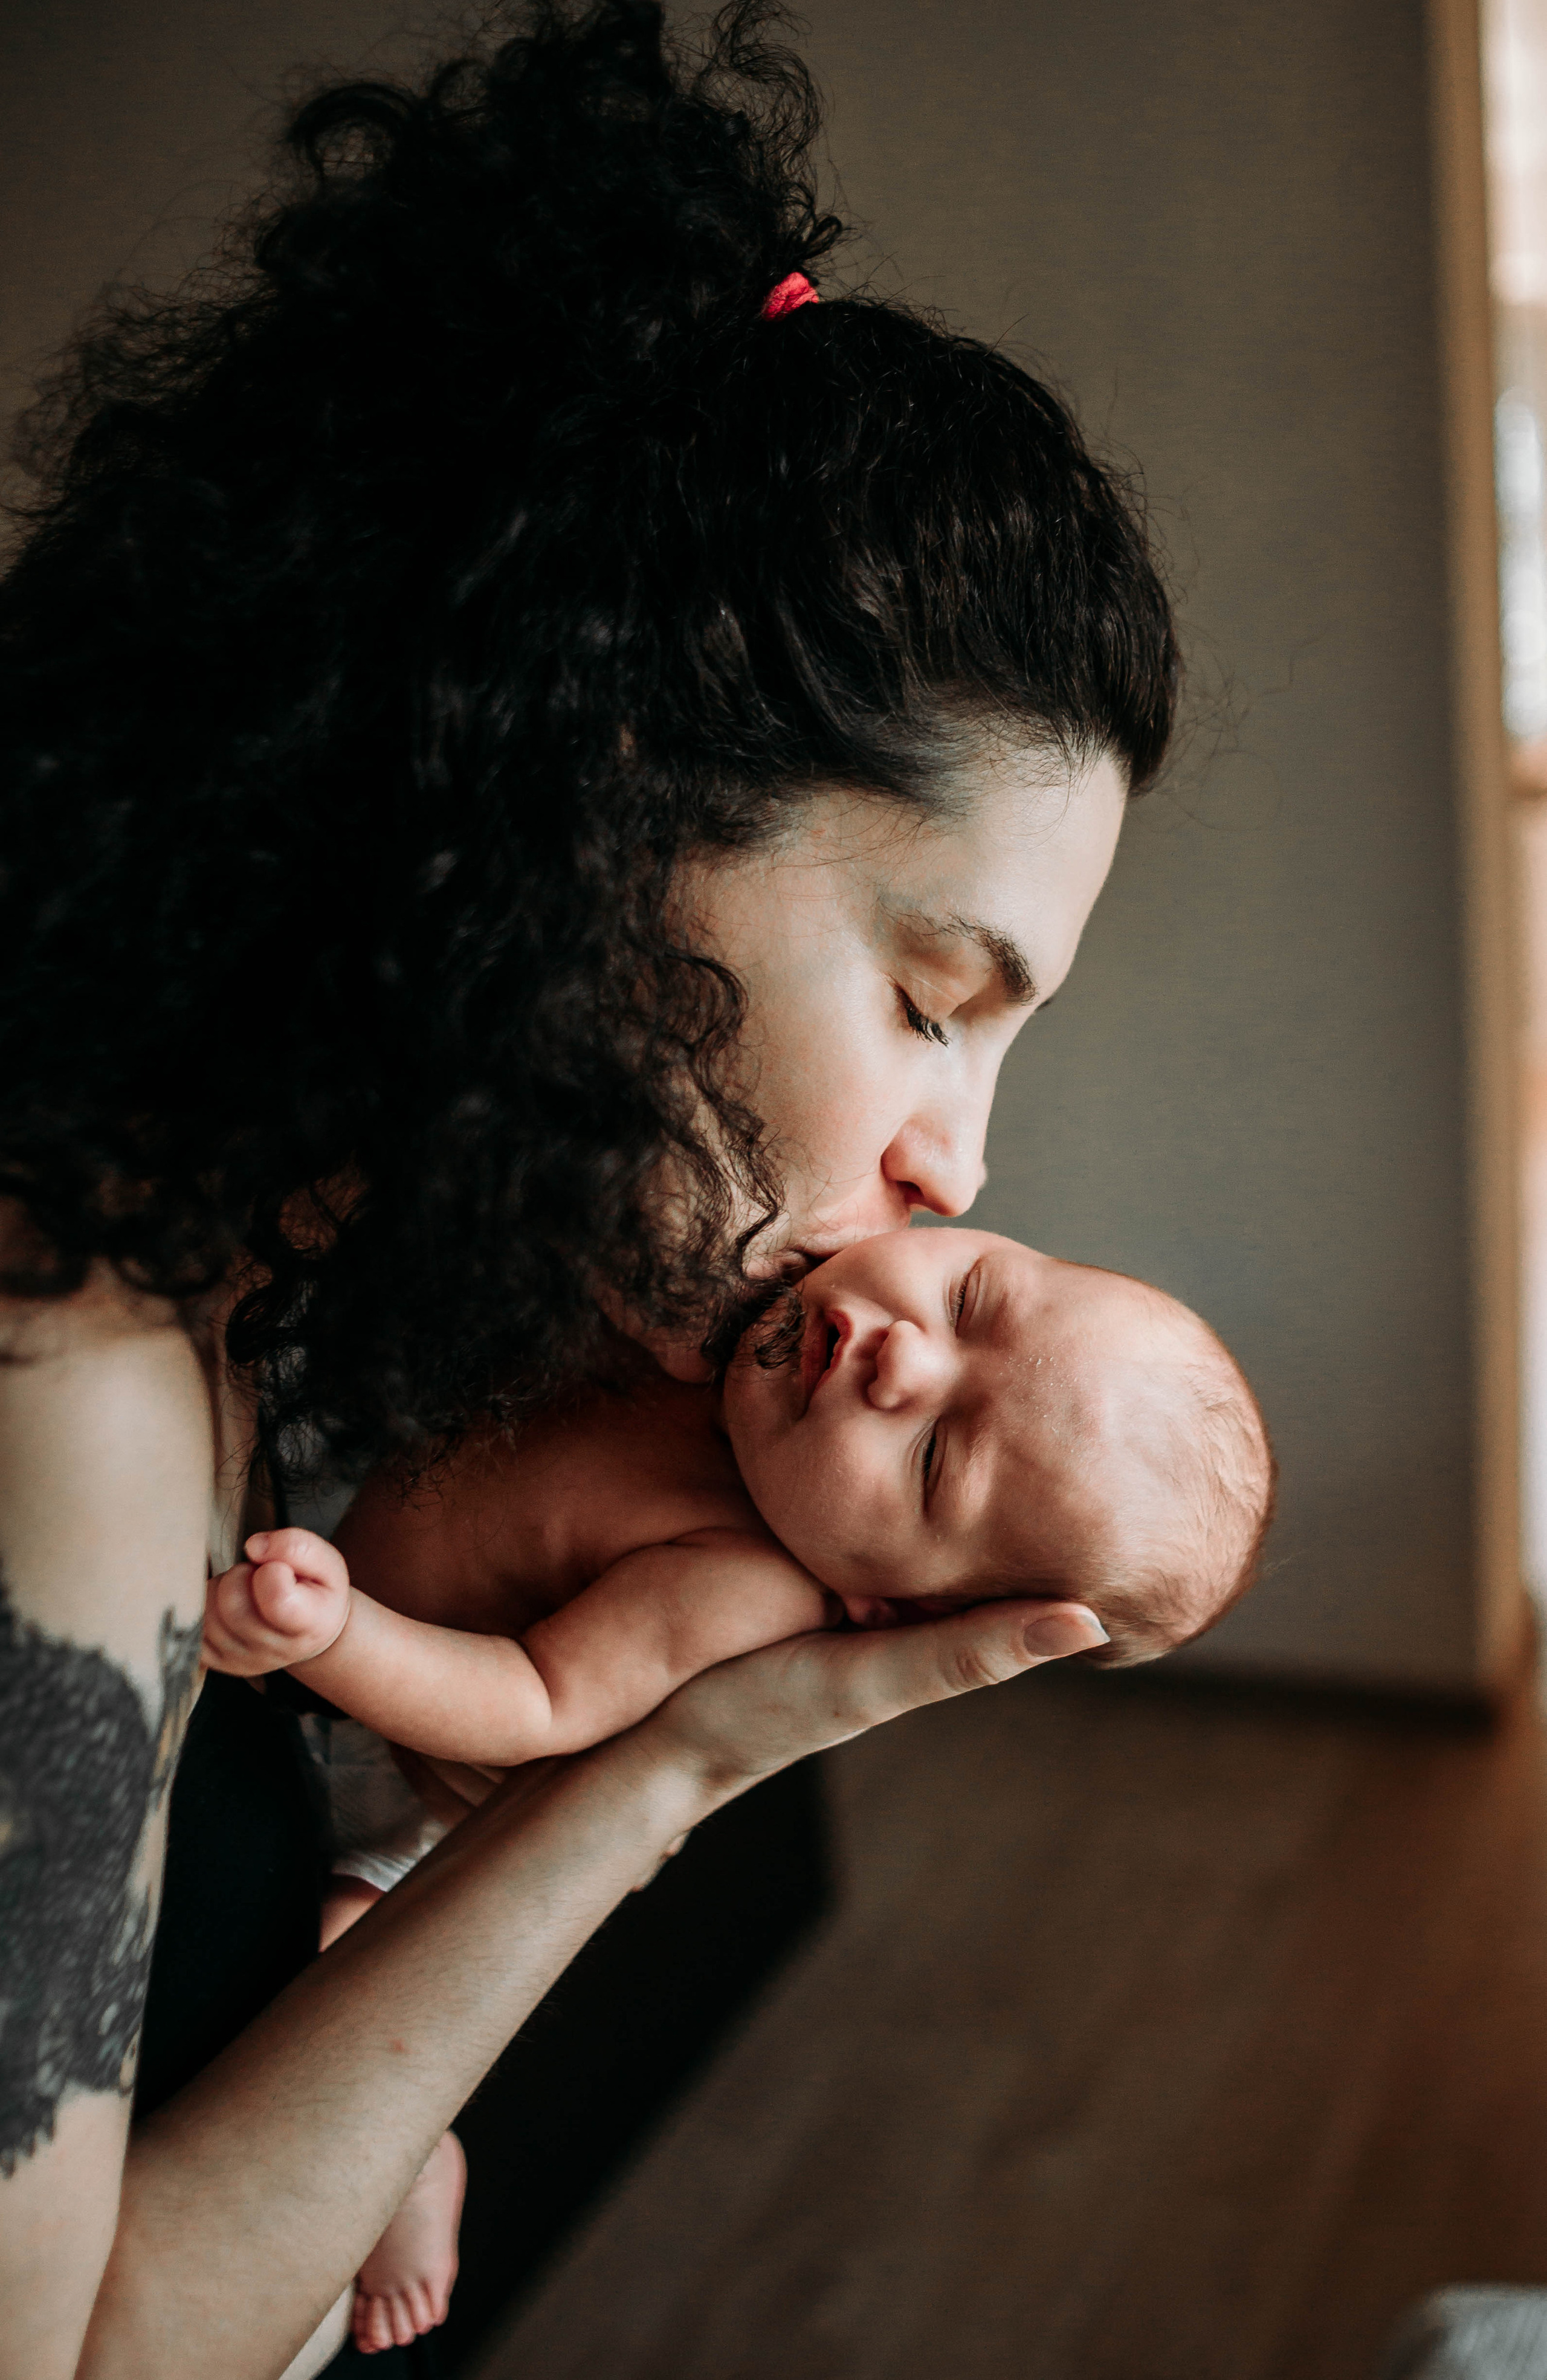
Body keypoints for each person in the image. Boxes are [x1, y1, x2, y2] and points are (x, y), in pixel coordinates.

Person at [0, 3, 1184, 2375]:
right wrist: (664, 1769)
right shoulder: (71, 1376)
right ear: (594, 781)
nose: (960, 1166)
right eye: (941, 994)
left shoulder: (277, 1257)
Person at [202, 1226, 1272, 2353]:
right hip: (345, 1515)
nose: (902, 1357)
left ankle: (415, 2160)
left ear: (893, 1613)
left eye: (932, 1460)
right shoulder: (736, 1316)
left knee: (325, 1968)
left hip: (397, 1781)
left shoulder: (737, 1583)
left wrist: (336, 1636)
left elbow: (531, 1700)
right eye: (970, 1296)